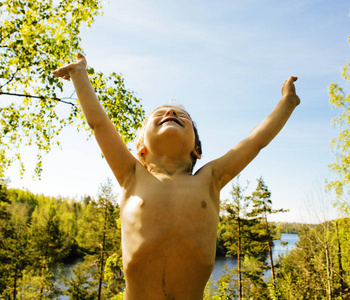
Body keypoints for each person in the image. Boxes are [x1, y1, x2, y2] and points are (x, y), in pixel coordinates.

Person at [53, 53, 300, 300]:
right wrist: (79, 74)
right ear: (141, 149)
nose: (170, 111)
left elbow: (255, 141)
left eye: (183, 116)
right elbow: (99, 124)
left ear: (197, 149)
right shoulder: (132, 175)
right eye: (158, 115)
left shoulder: (210, 179)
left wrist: (287, 102)